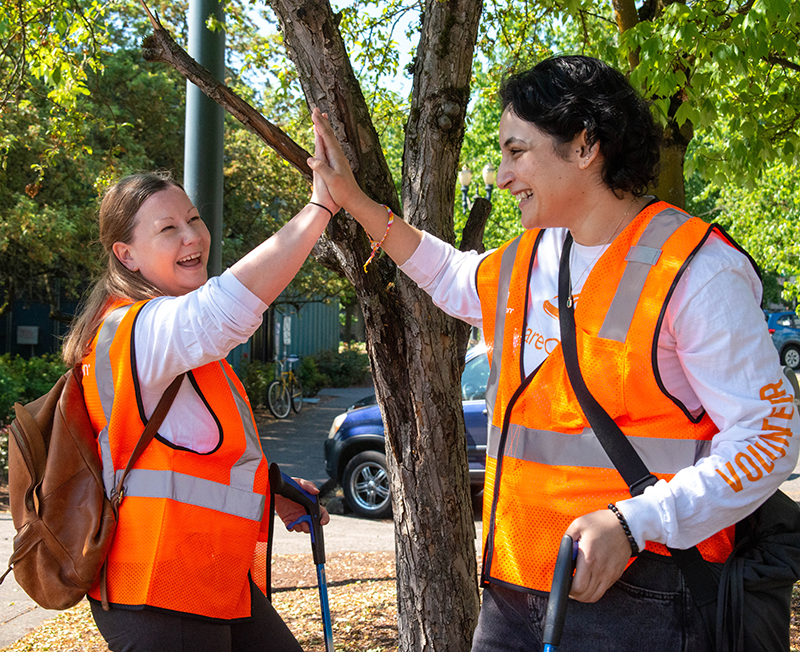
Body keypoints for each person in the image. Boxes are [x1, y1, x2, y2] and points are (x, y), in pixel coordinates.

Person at [307, 55, 800, 651]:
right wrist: (356, 203)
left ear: (584, 144)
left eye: (517, 152)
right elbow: (450, 274)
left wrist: (634, 525)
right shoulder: (527, 256)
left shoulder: (700, 271)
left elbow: (769, 440)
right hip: (513, 588)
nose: (499, 175)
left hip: (644, 593)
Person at [61, 121, 338, 652]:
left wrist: (271, 489)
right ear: (127, 255)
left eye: (193, 219)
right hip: (160, 587)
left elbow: (190, 458)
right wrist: (318, 210)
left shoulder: (167, 336)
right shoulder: (138, 329)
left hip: (205, 579)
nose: (193, 236)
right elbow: (228, 307)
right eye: (168, 230)